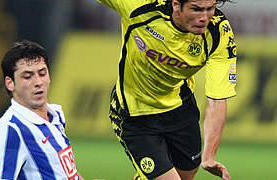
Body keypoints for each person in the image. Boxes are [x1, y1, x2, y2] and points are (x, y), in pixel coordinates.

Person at [96, 0, 237, 179]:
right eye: (196, 9)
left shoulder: (218, 33)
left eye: (210, 9)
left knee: (186, 175)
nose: (204, 18)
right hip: (135, 114)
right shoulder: (140, 7)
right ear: (176, 5)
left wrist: (209, 156)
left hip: (180, 109)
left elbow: (217, 100)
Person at [0, 40, 84, 180]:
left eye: (42, 73)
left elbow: (65, 173)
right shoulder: (10, 130)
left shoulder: (56, 115)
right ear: (10, 83)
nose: (38, 82)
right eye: (28, 76)